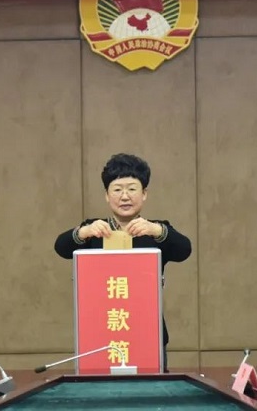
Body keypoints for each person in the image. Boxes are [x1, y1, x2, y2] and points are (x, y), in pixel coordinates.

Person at [54, 153, 191, 372]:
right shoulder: (94, 229)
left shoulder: (155, 230)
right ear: (107, 196)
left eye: (132, 189)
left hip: (148, 332)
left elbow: (184, 249)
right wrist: (83, 232)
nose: (125, 196)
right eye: (117, 190)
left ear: (144, 194)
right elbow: (61, 247)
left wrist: (157, 230)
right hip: (101, 333)